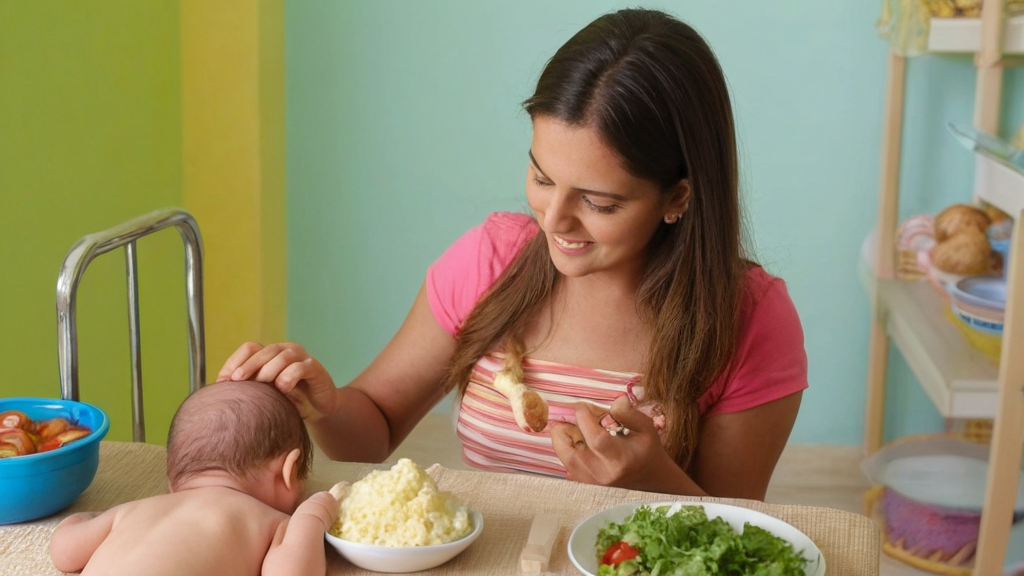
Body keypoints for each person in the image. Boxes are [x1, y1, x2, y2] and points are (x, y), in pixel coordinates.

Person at [217, 7, 807, 500]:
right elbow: (370, 433)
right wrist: (324, 404)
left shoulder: (750, 319)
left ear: (677, 196)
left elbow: (734, 539)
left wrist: (653, 480)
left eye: (599, 202)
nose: (553, 222)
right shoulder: (490, 263)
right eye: (542, 177)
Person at [49, 381, 340, 576]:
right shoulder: (267, 521)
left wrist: (89, 518)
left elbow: (64, 551)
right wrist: (311, 518)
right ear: (289, 472)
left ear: (171, 477)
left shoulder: (132, 511)